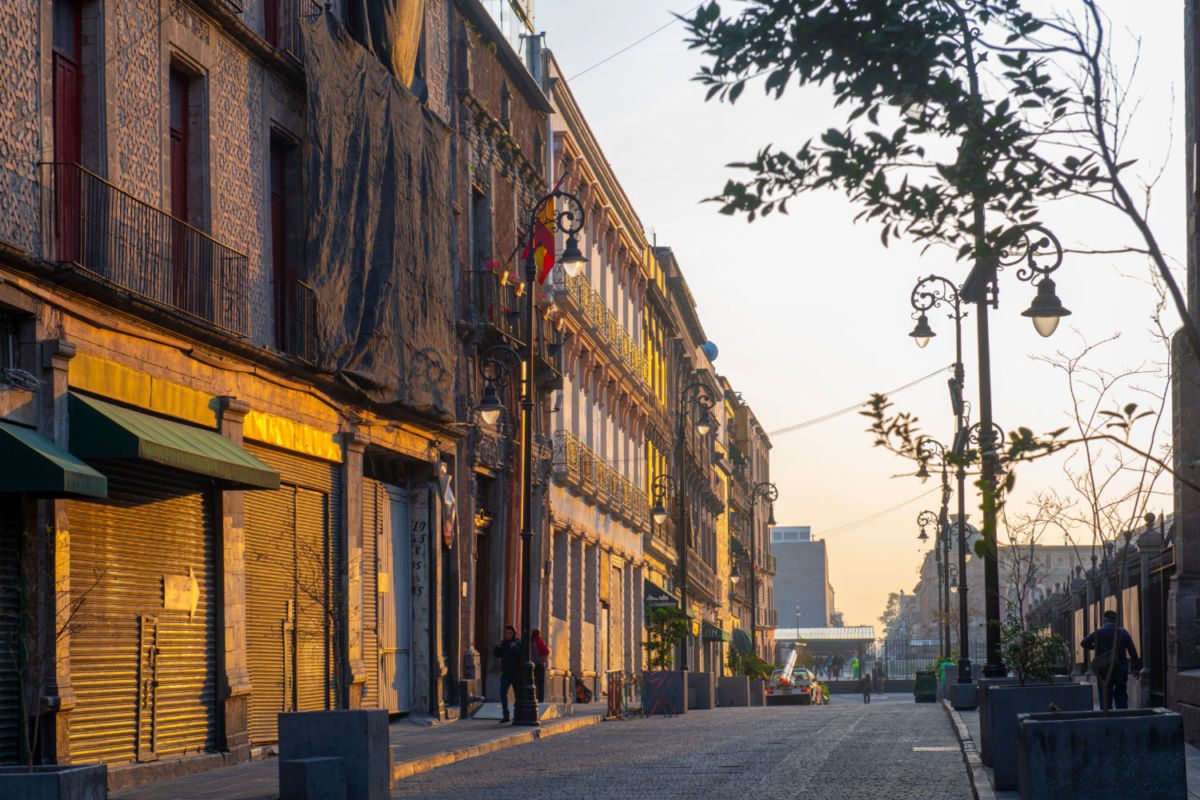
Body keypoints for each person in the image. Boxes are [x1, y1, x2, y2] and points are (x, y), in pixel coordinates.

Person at [1081, 609, 1142, 711]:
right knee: (1121, 693)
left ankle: (1106, 718)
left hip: (1104, 668)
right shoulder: (1123, 632)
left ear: (1104, 620)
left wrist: (1096, 647)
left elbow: (1084, 643)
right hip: (1121, 667)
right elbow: (1132, 651)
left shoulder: (1098, 632)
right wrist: (1136, 668)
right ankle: (1122, 716)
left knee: (1105, 694)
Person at [493, 624, 523, 723]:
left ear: (513, 634)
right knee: (502, 692)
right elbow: (496, 655)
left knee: (517, 695)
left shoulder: (517, 643)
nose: (507, 635)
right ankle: (506, 715)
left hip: (516, 673)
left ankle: (518, 714)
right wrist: (497, 648)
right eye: (506, 633)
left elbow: (521, 656)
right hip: (506, 673)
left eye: (510, 633)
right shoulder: (503, 644)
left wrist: (515, 648)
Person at [531, 628, 550, 703]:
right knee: (540, 683)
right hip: (539, 665)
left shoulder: (530, 642)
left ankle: (532, 697)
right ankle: (540, 699)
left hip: (531, 665)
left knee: (532, 682)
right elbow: (547, 651)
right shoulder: (540, 642)